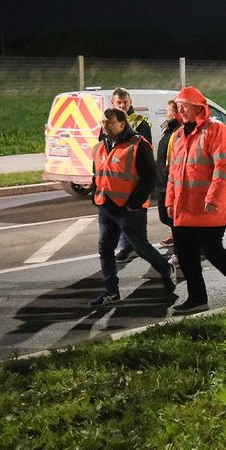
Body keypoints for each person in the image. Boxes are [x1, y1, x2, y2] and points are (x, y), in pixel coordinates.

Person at [166, 86, 226, 314]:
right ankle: (197, 298)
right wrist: (169, 200)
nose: (181, 110)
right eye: (178, 106)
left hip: (208, 207)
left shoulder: (216, 130)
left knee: (211, 249)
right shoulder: (178, 135)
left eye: (185, 106)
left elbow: (224, 167)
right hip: (184, 207)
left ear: (198, 107)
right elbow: (174, 172)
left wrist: (213, 196)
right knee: (185, 254)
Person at [90, 108, 175, 307]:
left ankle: (165, 268)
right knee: (105, 249)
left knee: (141, 247)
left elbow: (149, 178)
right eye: (103, 122)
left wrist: (134, 203)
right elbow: (97, 175)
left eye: (109, 122)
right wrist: (95, 194)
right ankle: (112, 292)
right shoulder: (101, 146)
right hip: (106, 206)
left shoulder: (138, 145)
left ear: (122, 123)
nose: (104, 126)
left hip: (130, 209)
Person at [108, 88, 153, 263]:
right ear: (113, 103)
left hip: (133, 179)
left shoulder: (140, 123)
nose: (122, 105)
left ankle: (132, 247)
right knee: (118, 218)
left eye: (125, 102)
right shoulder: (107, 122)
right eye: (119, 102)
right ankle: (126, 246)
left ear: (130, 102)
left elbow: (145, 150)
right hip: (114, 180)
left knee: (135, 218)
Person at [154, 99, 180, 248]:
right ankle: (178, 235)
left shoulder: (178, 130)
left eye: (168, 111)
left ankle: (180, 246)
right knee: (165, 217)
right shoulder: (169, 129)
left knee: (170, 216)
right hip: (162, 180)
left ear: (175, 112)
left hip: (169, 180)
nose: (166, 113)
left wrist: (167, 171)